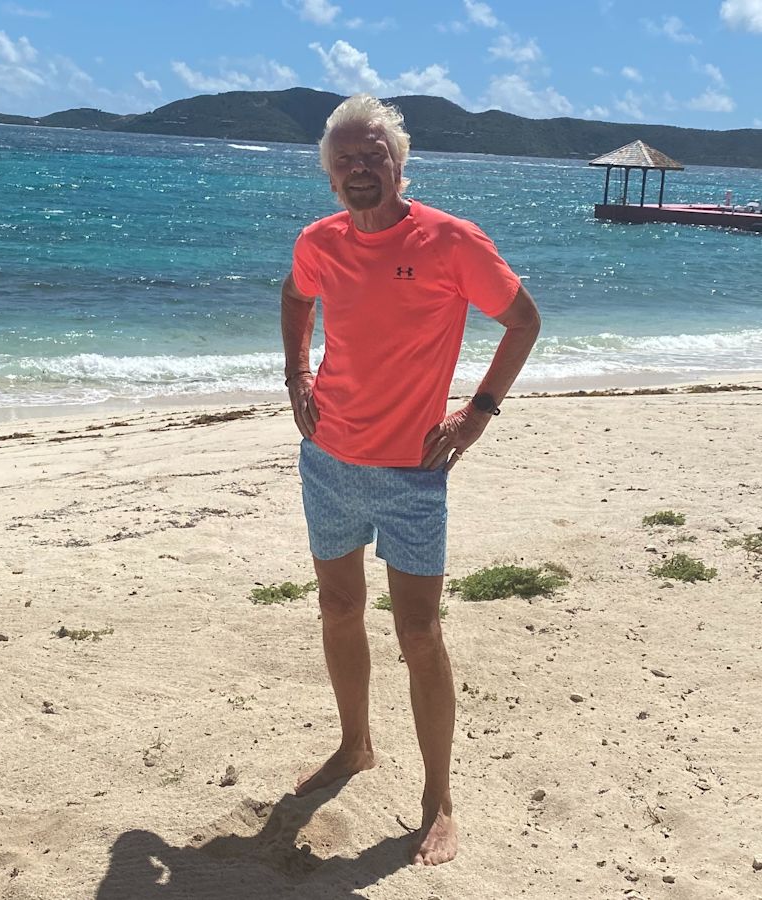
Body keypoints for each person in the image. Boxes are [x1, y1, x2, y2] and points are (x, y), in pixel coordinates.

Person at [279, 94, 541, 867]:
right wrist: (296, 375)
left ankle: (438, 800)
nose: (360, 170)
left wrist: (476, 415)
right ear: (329, 173)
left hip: (413, 471)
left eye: (374, 157)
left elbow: (522, 319)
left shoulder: (451, 241)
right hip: (328, 459)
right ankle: (354, 746)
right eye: (346, 160)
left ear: (399, 163)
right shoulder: (318, 242)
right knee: (337, 606)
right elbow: (296, 296)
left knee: (420, 633)